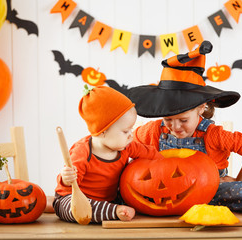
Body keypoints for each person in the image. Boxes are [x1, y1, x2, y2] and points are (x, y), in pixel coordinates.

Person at [127, 40, 242, 226]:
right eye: (168, 119)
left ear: (201, 108)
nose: (174, 127)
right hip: (163, 197)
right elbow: (126, 145)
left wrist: (238, 181)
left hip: (213, 193)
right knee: (125, 191)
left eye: (183, 120)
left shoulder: (213, 135)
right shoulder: (153, 131)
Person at [53, 85, 164, 223]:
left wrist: (167, 162)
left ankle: (112, 209)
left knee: (130, 199)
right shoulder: (83, 152)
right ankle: (114, 211)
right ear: (103, 131)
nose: (131, 135)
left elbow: (150, 154)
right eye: (125, 131)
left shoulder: (126, 146)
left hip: (109, 199)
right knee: (72, 208)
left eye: (131, 130)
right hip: (76, 198)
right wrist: (67, 178)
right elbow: (67, 186)